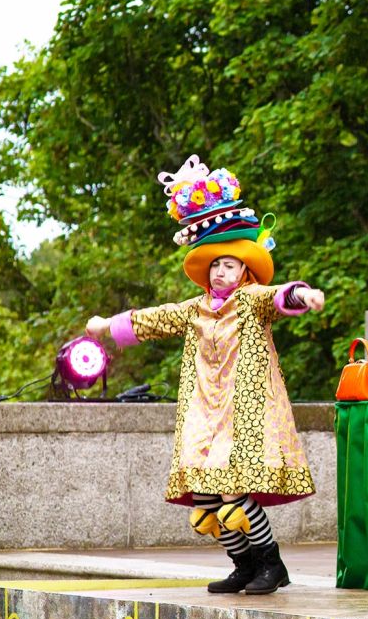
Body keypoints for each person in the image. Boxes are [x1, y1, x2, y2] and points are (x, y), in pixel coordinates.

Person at [86, 157, 323, 596]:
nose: (221, 272)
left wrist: (304, 294)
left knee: (236, 493)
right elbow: (151, 319)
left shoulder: (252, 300)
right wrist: (105, 326)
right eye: (215, 266)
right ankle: (243, 564)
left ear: (245, 271)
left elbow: (280, 296)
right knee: (205, 498)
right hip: (204, 411)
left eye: (230, 265)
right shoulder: (195, 309)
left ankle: (272, 564)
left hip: (245, 409)